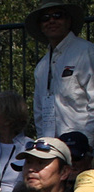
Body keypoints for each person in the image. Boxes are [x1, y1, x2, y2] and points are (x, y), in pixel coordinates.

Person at [30, 1, 94, 139]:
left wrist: (87, 143)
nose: (51, 21)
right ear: (40, 26)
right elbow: (39, 111)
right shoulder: (41, 66)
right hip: (53, 148)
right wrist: (44, 143)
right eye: (45, 18)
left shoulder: (86, 52)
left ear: (68, 21)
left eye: (58, 15)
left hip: (82, 148)